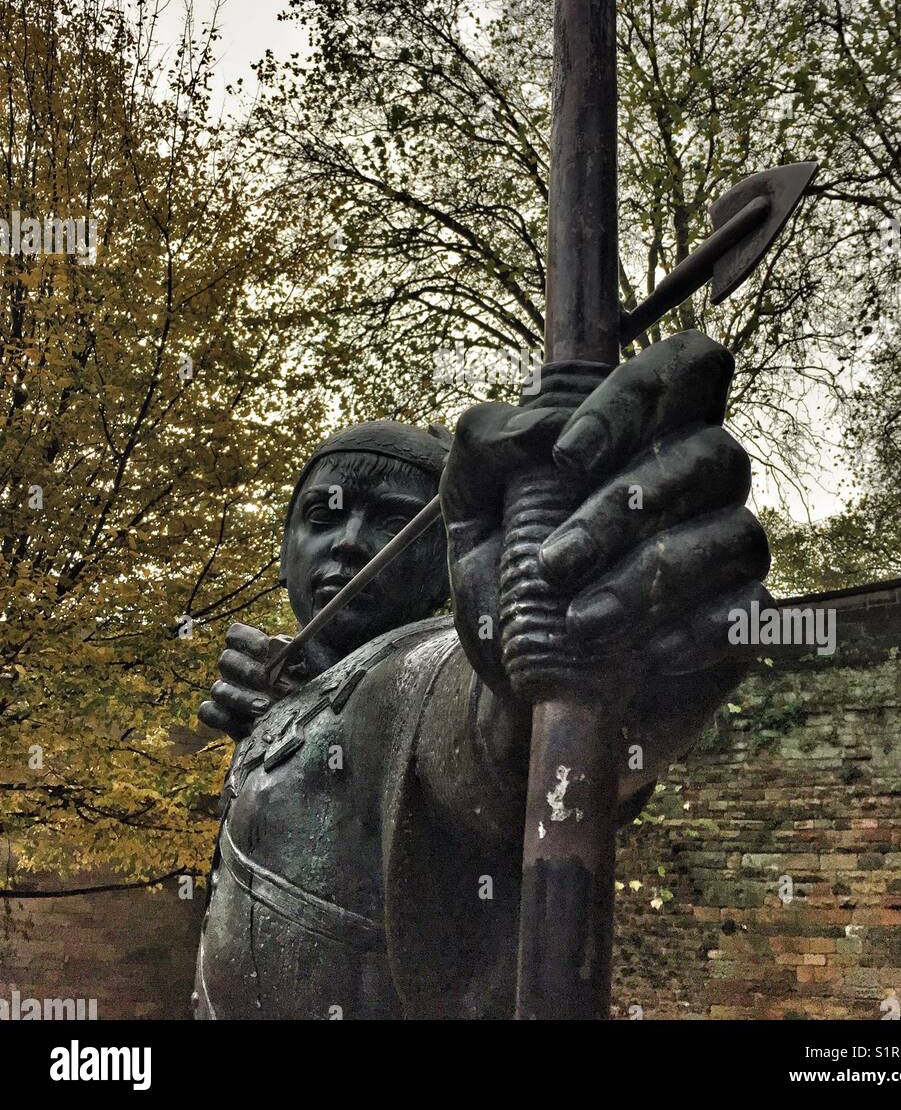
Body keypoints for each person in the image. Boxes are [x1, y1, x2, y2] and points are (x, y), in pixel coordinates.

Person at [194, 332, 772, 1019]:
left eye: (390, 521)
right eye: (324, 514)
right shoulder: (295, 696)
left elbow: (488, 740)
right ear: (285, 546)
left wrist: (595, 657)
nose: (348, 541)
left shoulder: (421, 668)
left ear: (448, 554)